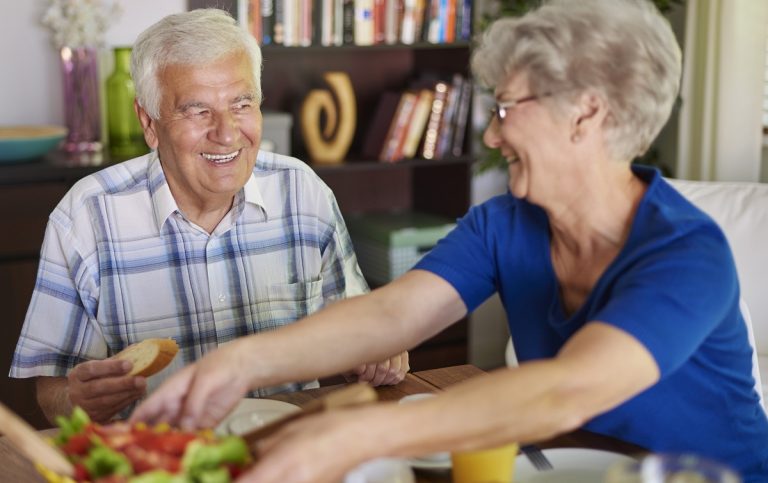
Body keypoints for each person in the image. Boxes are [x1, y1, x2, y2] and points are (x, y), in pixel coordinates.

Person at [134, 0, 768, 481]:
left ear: (586, 114)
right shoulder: (507, 224)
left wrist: (357, 436)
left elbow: (565, 387)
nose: (491, 137)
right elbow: (392, 314)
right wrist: (242, 361)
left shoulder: (687, 253)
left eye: (506, 108)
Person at [9, 8, 407, 425]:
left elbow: (359, 330)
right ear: (149, 122)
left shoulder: (303, 191)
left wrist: (379, 350)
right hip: (159, 459)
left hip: (285, 449)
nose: (228, 133)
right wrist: (79, 399)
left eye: (241, 104)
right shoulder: (86, 217)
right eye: (197, 111)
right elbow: (52, 390)